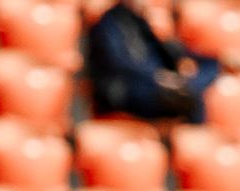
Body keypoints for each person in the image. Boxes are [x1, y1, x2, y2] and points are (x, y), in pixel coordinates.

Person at [81, 0, 222, 124]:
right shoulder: (109, 21)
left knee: (210, 69)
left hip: (161, 83)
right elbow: (122, 63)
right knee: (188, 97)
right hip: (129, 87)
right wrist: (159, 77)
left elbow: (173, 56)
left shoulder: (144, 20)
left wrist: (167, 40)